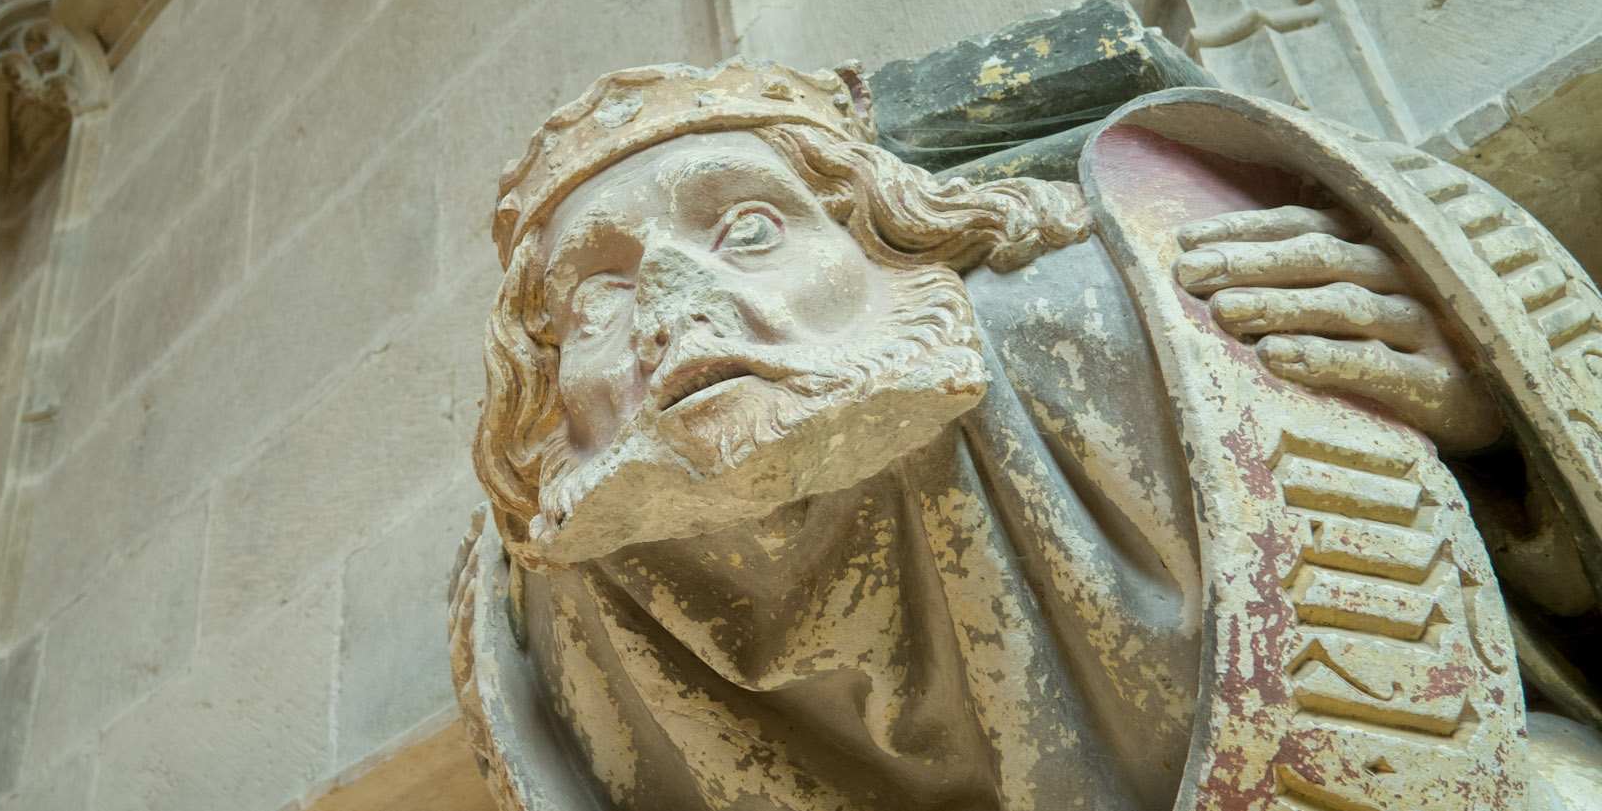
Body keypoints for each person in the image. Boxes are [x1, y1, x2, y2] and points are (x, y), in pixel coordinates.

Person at [453, 60, 1602, 811]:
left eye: (750, 230)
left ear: (895, 243)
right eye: (593, 303)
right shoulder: (575, 617)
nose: (668, 309)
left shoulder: (1105, 321)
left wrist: (1495, 423)